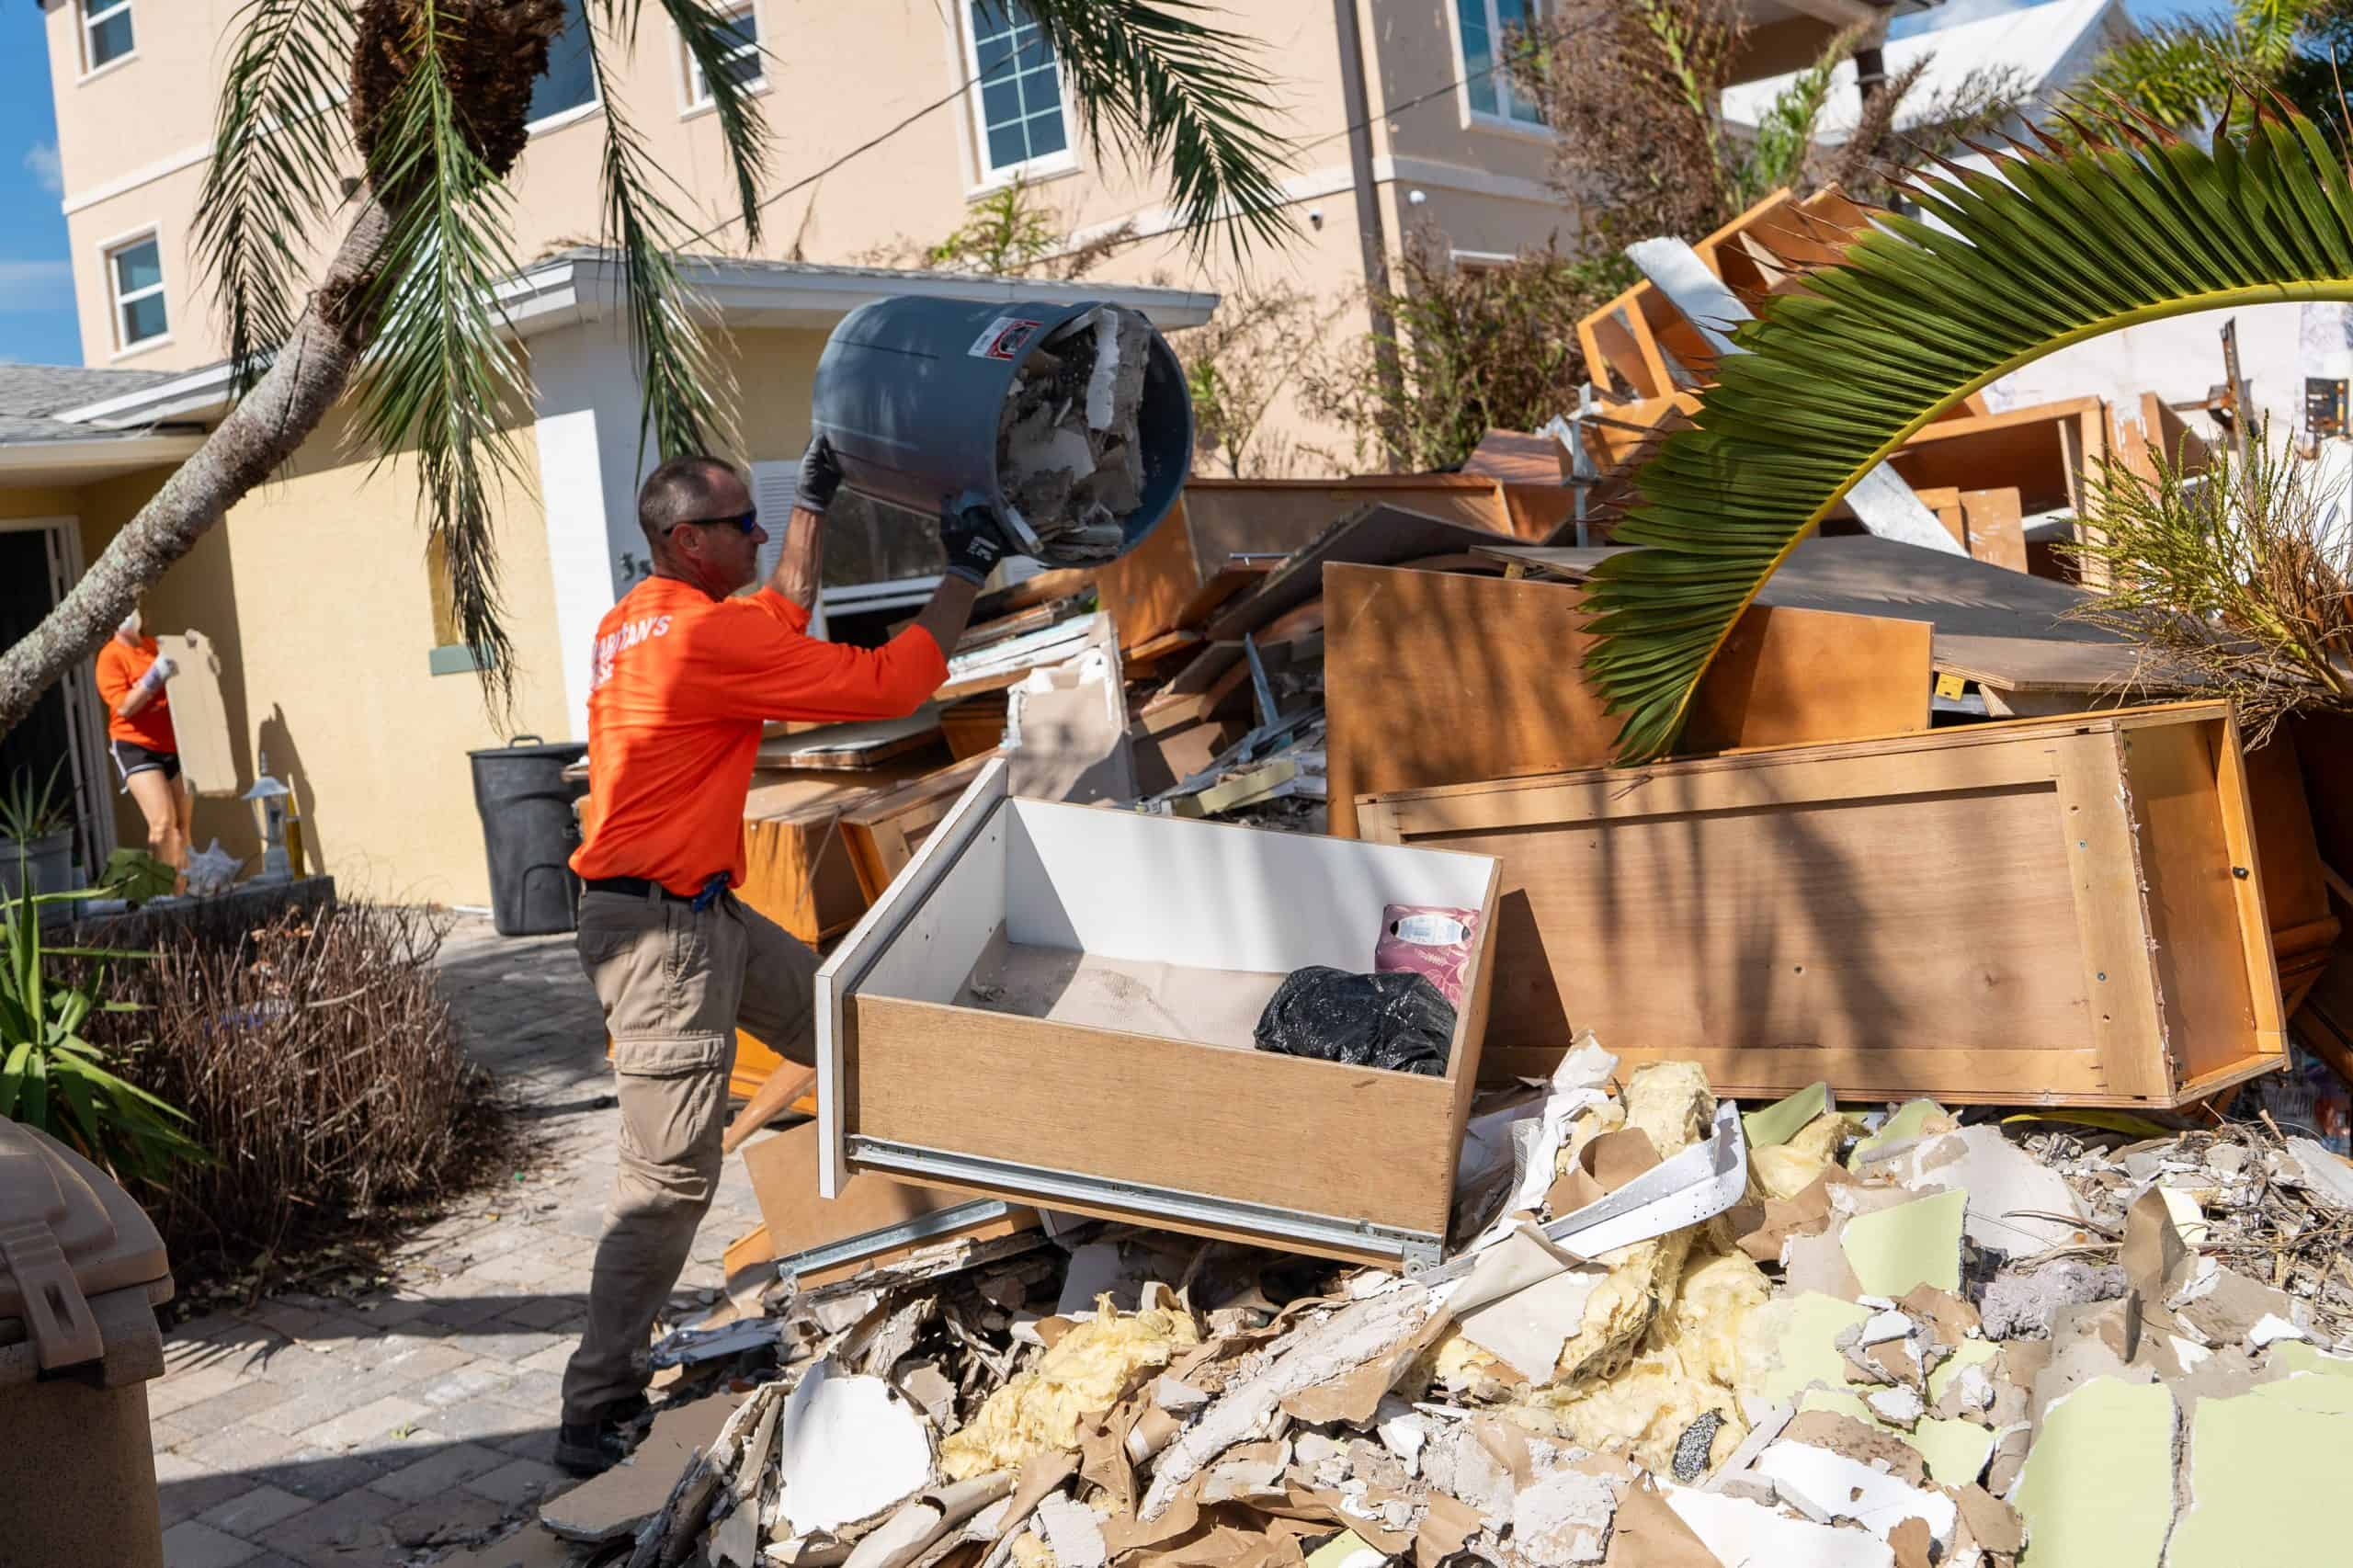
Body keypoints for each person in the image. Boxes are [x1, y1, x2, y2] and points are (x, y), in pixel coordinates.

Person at [555, 437, 1016, 1475]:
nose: (760, 537)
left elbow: (785, 605)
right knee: (668, 1178)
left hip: (697, 911)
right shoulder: (697, 644)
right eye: (742, 523)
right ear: (685, 538)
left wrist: (811, 500)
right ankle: (596, 1406)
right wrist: (966, 572)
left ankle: (953, 1238)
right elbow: (893, 681)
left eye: (764, 519)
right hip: (661, 936)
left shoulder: (644, 619)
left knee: (857, 1036)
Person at [93, 607, 193, 887]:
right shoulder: (110, 656)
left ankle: (181, 897)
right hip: (135, 745)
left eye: (134, 605)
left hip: (173, 742)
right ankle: (162, 896)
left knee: (182, 827)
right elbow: (125, 706)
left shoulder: (153, 646)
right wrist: (154, 675)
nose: (130, 612)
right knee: (162, 824)